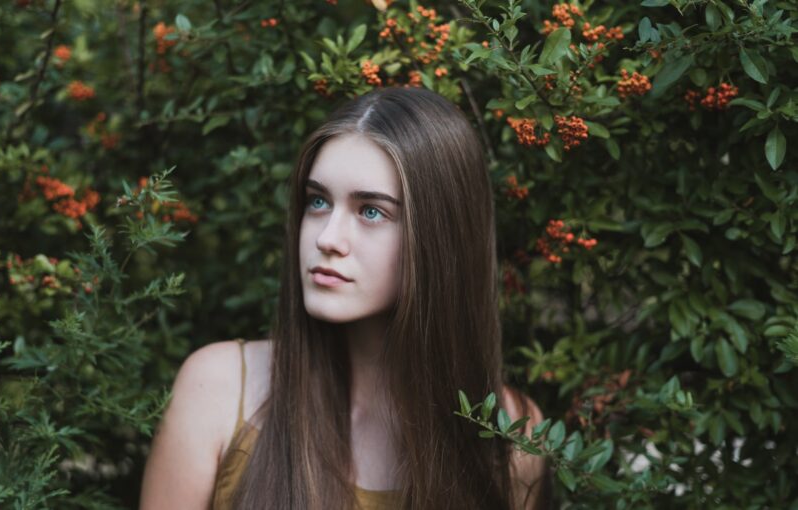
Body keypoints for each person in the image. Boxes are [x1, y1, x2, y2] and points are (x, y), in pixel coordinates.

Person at [140, 86, 549, 509]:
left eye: (371, 211)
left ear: (440, 237)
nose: (327, 238)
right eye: (318, 202)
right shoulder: (219, 390)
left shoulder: (511, 436)